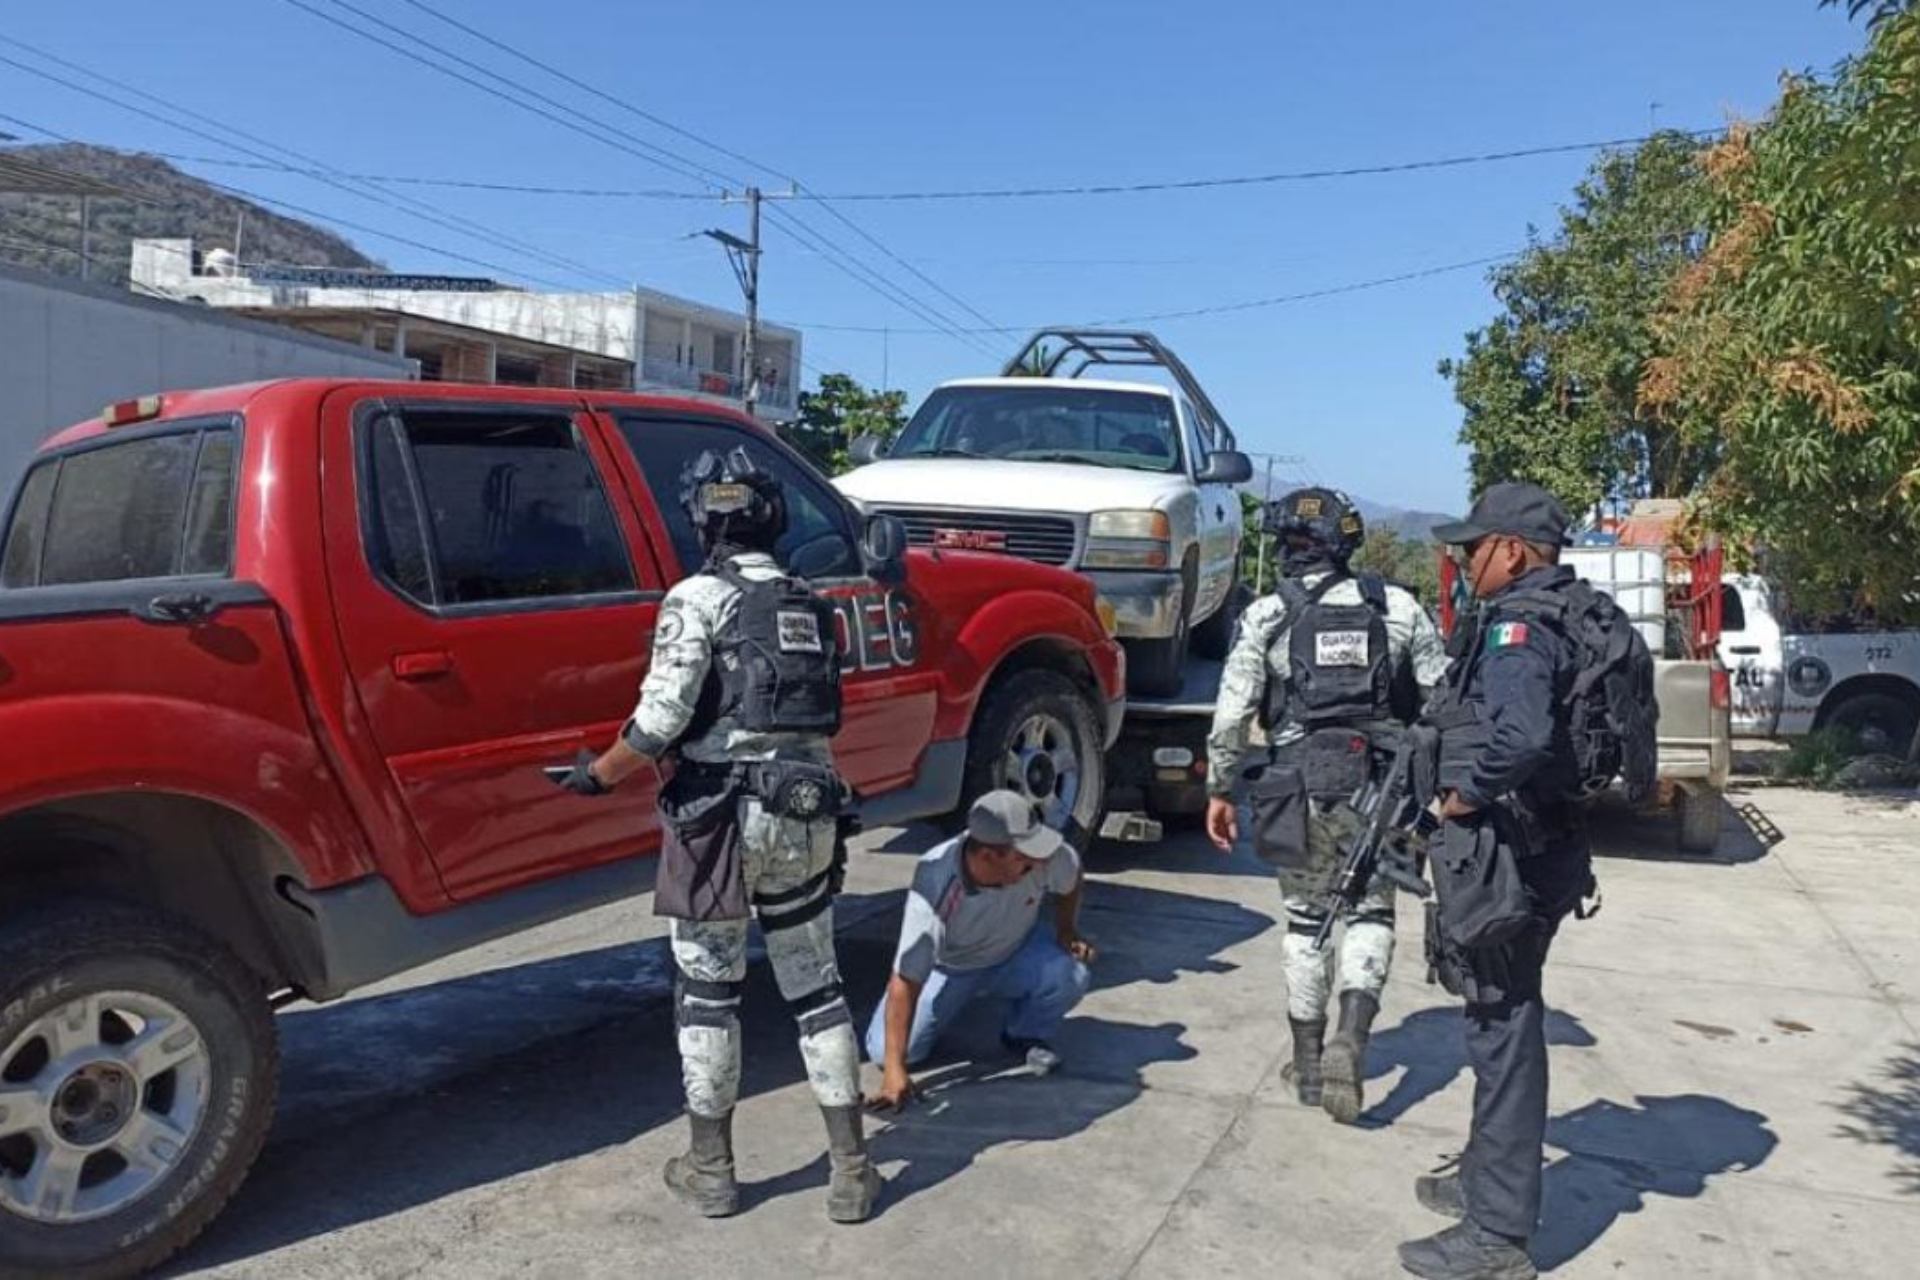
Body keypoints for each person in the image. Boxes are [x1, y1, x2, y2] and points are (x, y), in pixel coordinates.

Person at [553, 445, 880, 1225]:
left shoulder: (695, 599)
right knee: (817, 989)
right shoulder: (809, 601)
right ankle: (852, 1171)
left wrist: (597, 774)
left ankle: (713, 1170)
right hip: (807, 810)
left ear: (702, 520)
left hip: (718, 823)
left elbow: (662, 719)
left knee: (708, 996)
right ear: (772, 518)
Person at [1398, 482, 1597, 1280]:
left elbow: (1519, 736)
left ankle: (1497, 1236)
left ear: (1512, 551)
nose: (1462, 560)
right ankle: (1486, 1181)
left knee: (1501, 1024)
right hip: (1550, 845)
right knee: (1501, 1015)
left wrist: (1459, 796)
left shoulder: (1520, 626)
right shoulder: (1572, 610)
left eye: (1472, 548)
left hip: (1511, 852)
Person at [1206, 487, 1447, 1124]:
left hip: (1296, 791)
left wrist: (1219, 788)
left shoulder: (1266, 617)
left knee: (1306, 921)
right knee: (1372, 912)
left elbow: (1231, 718)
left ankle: (1310, 1064)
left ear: (1284, 547)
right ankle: (1353, 1039)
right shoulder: (1397, 608)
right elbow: (1441, 702)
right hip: (1382, 792)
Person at [864, 791, 1097, 1111]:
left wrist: (1067, 929)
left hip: (1016, 951)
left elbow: (1072, 875)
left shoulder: (1046, 857)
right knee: (885, 1052)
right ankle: (947, 1011)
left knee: (1071, 973)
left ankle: (1024, 1034)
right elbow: (906, 979)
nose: (1038, 862)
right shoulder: (936, 881)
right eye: (1024, 858)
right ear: (987, 856)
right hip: (949, 968)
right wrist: (894, 1072)